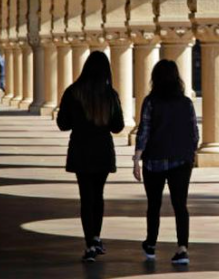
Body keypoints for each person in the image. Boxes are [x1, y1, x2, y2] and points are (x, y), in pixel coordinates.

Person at [56, 51, 125, 263]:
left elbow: (62, 124)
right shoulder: (110, 94)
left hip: (81, 149)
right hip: (102, 150)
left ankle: (89, 244)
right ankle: (96, 236)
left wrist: (79, 121)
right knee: (98, 195)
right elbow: (118, 126)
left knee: (86, 197)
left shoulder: (73, 92)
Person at [133, 59, 199, 265]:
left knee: (154, 204)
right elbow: (194, 133)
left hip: (154, 160)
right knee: (180, 205)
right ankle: (182, 248)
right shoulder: (186, 103)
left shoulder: (151, 101)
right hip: (181, 161)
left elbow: (144, 130)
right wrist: (189, 155)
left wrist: (137, 158)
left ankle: (151, 244)